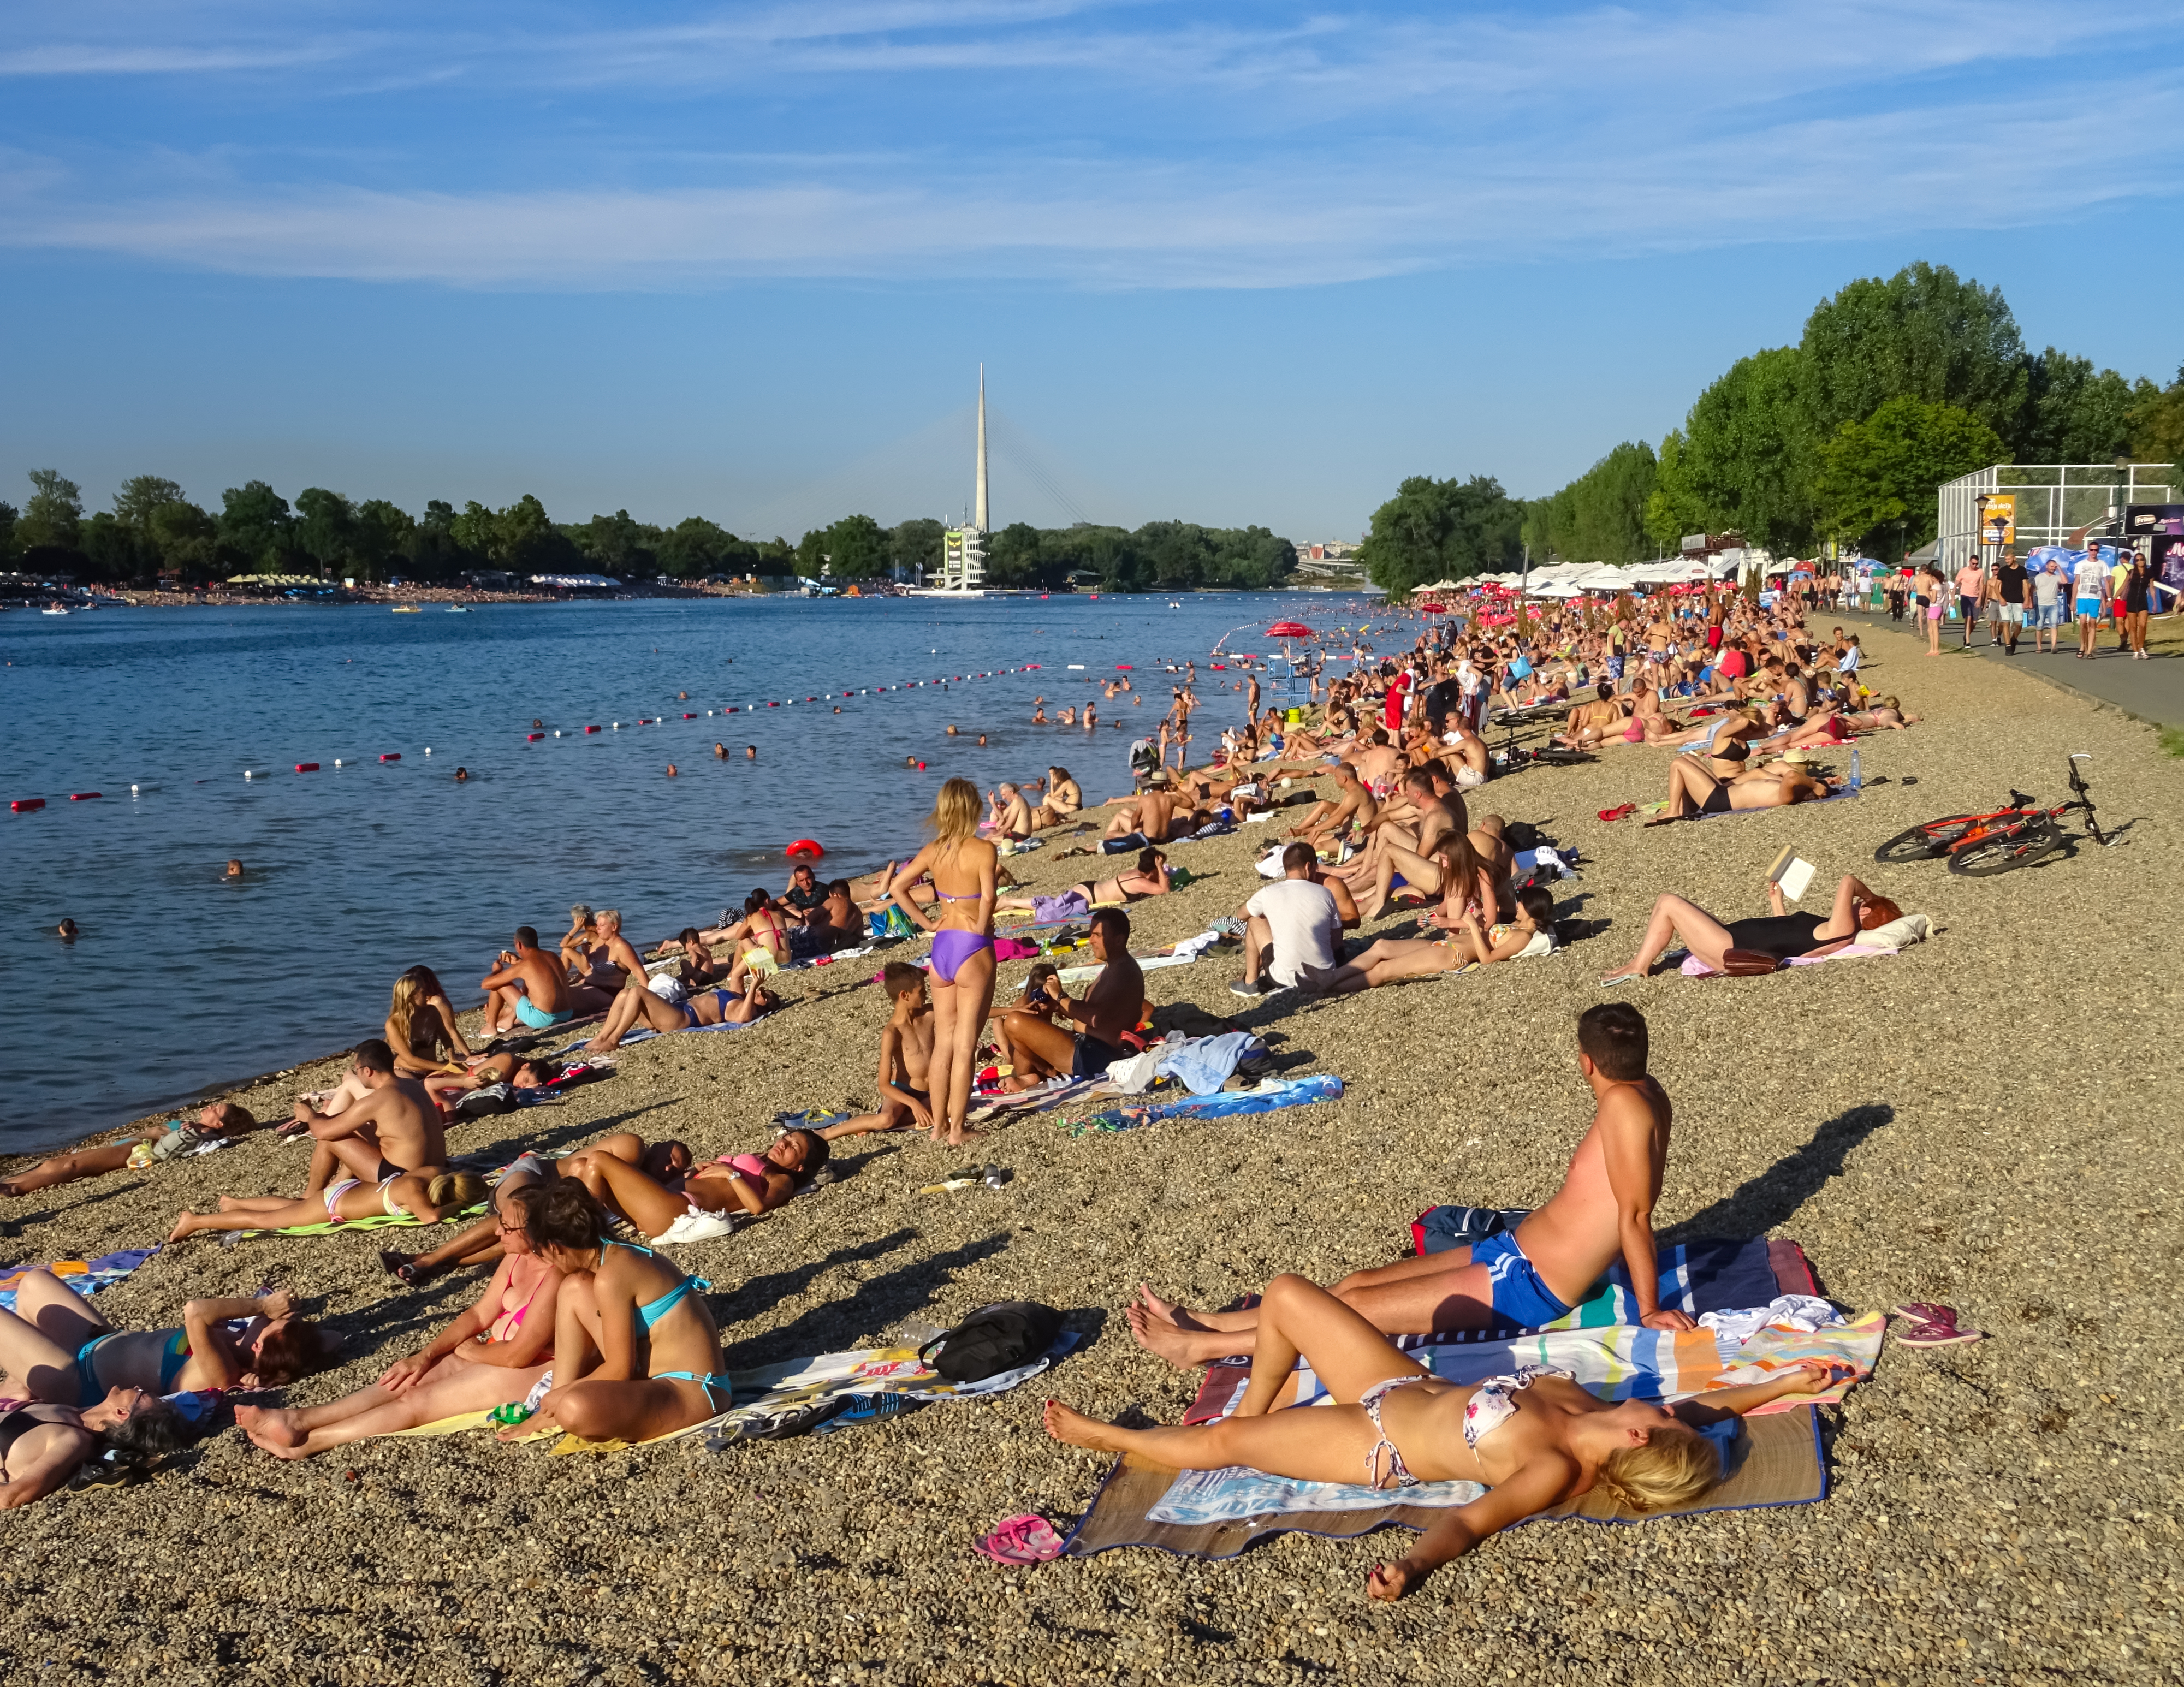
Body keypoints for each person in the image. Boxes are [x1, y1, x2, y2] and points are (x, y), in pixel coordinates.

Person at [1047, 1285, 1854, 1601]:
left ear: (1638, 1437)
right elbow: (1706, 1407)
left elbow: (1470, 1522)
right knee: (1291, 1295)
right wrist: (1782, 1384)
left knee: (1226, 1446)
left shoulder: (1548, 1466)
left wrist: (1413, 1564)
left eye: (1663, 1418)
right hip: (1399, 1381)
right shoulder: (1604, 1404)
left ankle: (1109, 1435)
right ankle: (1248, 1408)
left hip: (1371, 1441)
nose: (1666, 1405)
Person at [1129, 1005, 1692, 1369]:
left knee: (1357, 1312)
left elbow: (1634, 1216)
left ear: (1585, 1063)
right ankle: (1206, 1321)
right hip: (1512, 1253)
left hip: (1531, 1284)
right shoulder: (1646, 1091)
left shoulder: (1621, 1105)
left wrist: (1648, 1310)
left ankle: (1202, 1347)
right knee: (1355, 1285)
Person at [238, 1183, 563, 1460]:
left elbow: (518, 1354)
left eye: (506, 1227)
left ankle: (310, 1443)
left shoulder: (558, 1274)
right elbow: (479, 1314)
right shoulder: (515, 1258)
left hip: (536, 1368)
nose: (496, 1231)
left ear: (536, 1231)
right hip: (495, 1351)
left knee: (418, 1401)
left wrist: (471, 1353)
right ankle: (299, 1419)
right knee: (405, 1379)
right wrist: (425, 1354)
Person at [497, 1183, 732, 1444]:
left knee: (574, 1408)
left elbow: (620, 1369)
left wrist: (565, 1393)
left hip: (692, 1391)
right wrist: (559, 1392)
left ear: (555, 1247)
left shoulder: (611, 1277)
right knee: (573, 1288)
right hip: (660, 1378)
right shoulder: (617, 1253)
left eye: (541, 1251)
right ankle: (549, 1410)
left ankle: (554, 1408)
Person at [379, 1134, 688, 1286]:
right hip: (536, 1173)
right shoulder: (632, 1148)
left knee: (531, 1231)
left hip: (548, 1198)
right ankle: (430, 1259)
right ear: (659, 1144)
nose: (667, 1166)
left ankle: (436, 1263)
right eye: (672, 1156)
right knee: (522, 1211)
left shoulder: (640, 1189)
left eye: (675, 1169)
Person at [0, 1268, 323, 1404]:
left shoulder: (220, 1371)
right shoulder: (236, 1344)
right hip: (98, 1341)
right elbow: (332, 1339)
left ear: (259, 1343)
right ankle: (21, 1383)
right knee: (34, 1281)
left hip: (75, 1380)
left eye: (274, 1322)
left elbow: (195, 1311)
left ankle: (27, 1384)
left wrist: (262, 1304)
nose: (272, 1316)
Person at [882, 777, 997, 1147]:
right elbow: (989, 898)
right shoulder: (983, 850)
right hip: (971, 946)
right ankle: (958, 1130)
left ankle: (937, 1129)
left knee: (943, 1045)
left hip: (942, 948)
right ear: (974, 808)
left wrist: (929, 923)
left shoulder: (934, 850)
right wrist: (980, 930)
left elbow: (898, 888)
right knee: (965, 1045)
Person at [1600, 874, 1902, 984]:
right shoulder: (1832, 931)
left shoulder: (1843, 929)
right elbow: (1789, 937)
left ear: (1863, 911)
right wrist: (1777, 902)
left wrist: (1871, 897)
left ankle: (1640, 966)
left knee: (1668, 902)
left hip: (1729, 949)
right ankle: (1639, 962)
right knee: (1670, 907)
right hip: (1733, 940)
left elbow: (1848, 880)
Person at [283, 1039, 452, 1222]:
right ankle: (337, 1185)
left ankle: (308, 1198)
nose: (356, 1074)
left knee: (330, 1139)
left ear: (367, 1071)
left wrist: (310, 1117)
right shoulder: (412, 1085)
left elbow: (324, 1133)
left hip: (403, 1178)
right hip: (438, 1168)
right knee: (354, 1128)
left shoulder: (377, 1100)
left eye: (356, 1070)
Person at [562, 1128, 829, 1239]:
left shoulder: (781, 1179)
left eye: (794, 1147)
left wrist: (730, 1175)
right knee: (579, 1167)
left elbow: (758, 1207)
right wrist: (699, 1171)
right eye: (788, 1137)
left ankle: (579, 1236)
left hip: (675, 1209)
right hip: (660, 1203)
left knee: (598, 1160)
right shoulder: (761, 1162)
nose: (784, 1143)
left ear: (800, 1167)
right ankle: (565, 1227)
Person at [1300, 883, 1555, 994]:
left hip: (1453, 956)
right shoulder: (1515, 925)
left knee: (1384, 970)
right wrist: (1454, 923)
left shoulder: (1523, 936)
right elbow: (1483, 935)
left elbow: (1488, 959)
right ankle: (1329, 980)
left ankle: (1327, 986)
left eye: (1522, 903)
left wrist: (1472, 928)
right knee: (1381, 946)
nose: (1518, 905)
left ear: (1532, 910)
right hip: (1447, 946)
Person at [994, 908, 1144, 1080]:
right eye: (1091, 934)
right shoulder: (1115, 967)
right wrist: (1059, 1006)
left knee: (1014, 1021)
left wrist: (1061, 997)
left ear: (1119, 940)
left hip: (1094, 1054)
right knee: (1027, 1016)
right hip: (1088, 1045)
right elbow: (1096, 1013)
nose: (1091, 941)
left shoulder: (1123, 973)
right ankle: (1034, 1072)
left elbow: (1097, 1019)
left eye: (1097, 935)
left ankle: (1044, 1071)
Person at [1, 1101, 262, 1198]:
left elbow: (168, 1147)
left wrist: (183, 1132)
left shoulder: (198, 1131)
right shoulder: (193, 1127)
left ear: (219, 1123)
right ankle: (9, 1182)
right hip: (128, 1147)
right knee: (59, 1163)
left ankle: (16, 1188)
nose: (212, 1106)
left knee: (68, 1166)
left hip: (130, 1151)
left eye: (217, 1109)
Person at [818, 963, 936, 1139]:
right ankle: (830, 1132)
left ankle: (879, 1123)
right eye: (921, 991)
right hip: (905, 1091)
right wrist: (913, 1104)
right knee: (886, 1120)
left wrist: (994, 1014)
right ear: (904, 995)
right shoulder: (892, 1032)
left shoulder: (929, 1014)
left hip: (934, 1087)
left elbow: (969, 1013)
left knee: (953, 1107)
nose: (926, 994)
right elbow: (884, 1084)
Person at [1233, 842, 1343, 999]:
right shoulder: (1325, 893)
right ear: (1308, 867)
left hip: (1284, 978)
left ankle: (1250, 982)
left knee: (1254, 918)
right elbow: (1337, 941)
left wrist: (1271, 916)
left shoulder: (1269, 892)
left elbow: (1241, 915)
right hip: (1327, 972)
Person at [1644, 753, 1834, 822]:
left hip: (1718, 801)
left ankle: (1673, 811)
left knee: (1678, 763)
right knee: (1687, 757)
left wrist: (1816, 785)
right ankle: (1685, 808)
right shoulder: (1786, 788)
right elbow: (1787, 771)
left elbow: (1792, 777)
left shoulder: (1787, 796)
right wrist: (1820, 780)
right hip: (1721, 792)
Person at [996, 848, 1170, 923]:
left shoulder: (1135, 873)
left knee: (1051, 903)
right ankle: (1006, 900)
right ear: (1153, 868)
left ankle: (1011, 903)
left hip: (1090, 889)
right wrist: (1160, 868)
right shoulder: (1139, 881)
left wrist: (1159, 868)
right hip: (1087, 896)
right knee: (1048, 907)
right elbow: (1164, 890)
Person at [384, 966, 476, 1078]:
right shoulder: (393, 1023)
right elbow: (410, 1059)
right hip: (405, 1070)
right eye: (424, 992)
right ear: (411, 997)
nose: (429, 995)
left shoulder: (432, 1012)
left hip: (432, 1068)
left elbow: (446, 1036)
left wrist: (452, 1057)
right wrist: (445, 1067)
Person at [480, 927, 573, 1033]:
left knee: (498, 984)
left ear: (519, 945)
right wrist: (518, 962)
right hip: (567, 1014)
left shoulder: (526, 965)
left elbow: (486, 985)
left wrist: (496, 971)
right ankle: (509, 1020)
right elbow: (537, 972)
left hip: (542, 1020)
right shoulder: (552, 955)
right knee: (531, 985)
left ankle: (490, 1028)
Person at [2074, 547, 2107, 658]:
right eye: (2092, 550)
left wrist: (2108, 599)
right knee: (2083, 622)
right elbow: (2076, 581)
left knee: (2093, 624)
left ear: (2098, 551)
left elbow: (2105, 583)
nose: (2094, 552)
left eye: (2096, 550)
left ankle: (2089, 651)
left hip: (2095, 597)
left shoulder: (2102, 564)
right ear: (2088, 551)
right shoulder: (2081, 564)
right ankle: (2082, 646)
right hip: (2082, 596)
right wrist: (2073, 600)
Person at [1994, 552, 2028, 654]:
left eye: (2009, 559)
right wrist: (2001, 599)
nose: (2007, 561)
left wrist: (2027, 599)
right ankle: (2008, 646)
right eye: (2006, 559)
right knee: (2006, 623)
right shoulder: (2003, 571)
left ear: (2014, 558)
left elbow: (2025, 585)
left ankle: (2014, 639)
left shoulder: (2022, 570)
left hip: (2018, 601)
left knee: (2019, 624)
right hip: (2006, 601)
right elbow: (1996, 587)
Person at [2122, 555, 2154, 658]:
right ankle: (2135, 650)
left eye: (2142, 560)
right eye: (2138, 560)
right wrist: (2113, 598)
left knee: (2143, 625)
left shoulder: (2149, 574)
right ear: (2135, 562)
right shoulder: (2131, 572)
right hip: (2131, 601)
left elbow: (2152, 589)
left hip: (2143, 601)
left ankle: (2141, 648)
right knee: (2133, 627)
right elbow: (2124, 585)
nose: (2140, 562)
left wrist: (2155, 602)